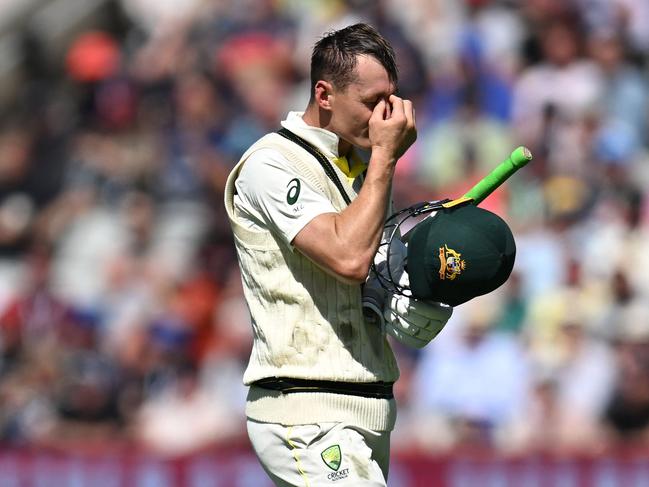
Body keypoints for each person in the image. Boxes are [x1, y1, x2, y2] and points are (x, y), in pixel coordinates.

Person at [224, 23, 452, 486]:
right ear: (324, 95)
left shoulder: (361, 170)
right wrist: (387, 159)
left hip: (368, 404)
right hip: (304, 406)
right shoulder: (272, 163)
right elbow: (348, 259)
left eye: (391, 99)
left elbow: (365, 279)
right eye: (372, 102)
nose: (386, 117)